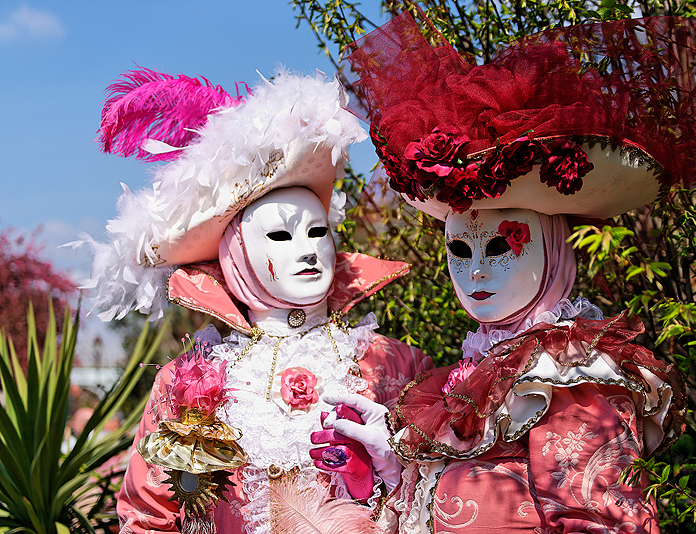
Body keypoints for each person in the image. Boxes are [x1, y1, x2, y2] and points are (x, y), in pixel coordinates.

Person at [315, 11, 696, 533]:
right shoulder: (464, 377)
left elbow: (602, 522)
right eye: (461, 251)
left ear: (552, 249)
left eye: (500, 246)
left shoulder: (572, 375)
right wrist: (394, 466)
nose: (476, 271)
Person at [79, 68, 432, 533]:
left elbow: (441, 500)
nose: (307, 248)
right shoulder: (188, 385)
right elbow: (148, 515)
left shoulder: (395, 367)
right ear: (235, 255)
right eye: (281, 235)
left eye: (317, 230)